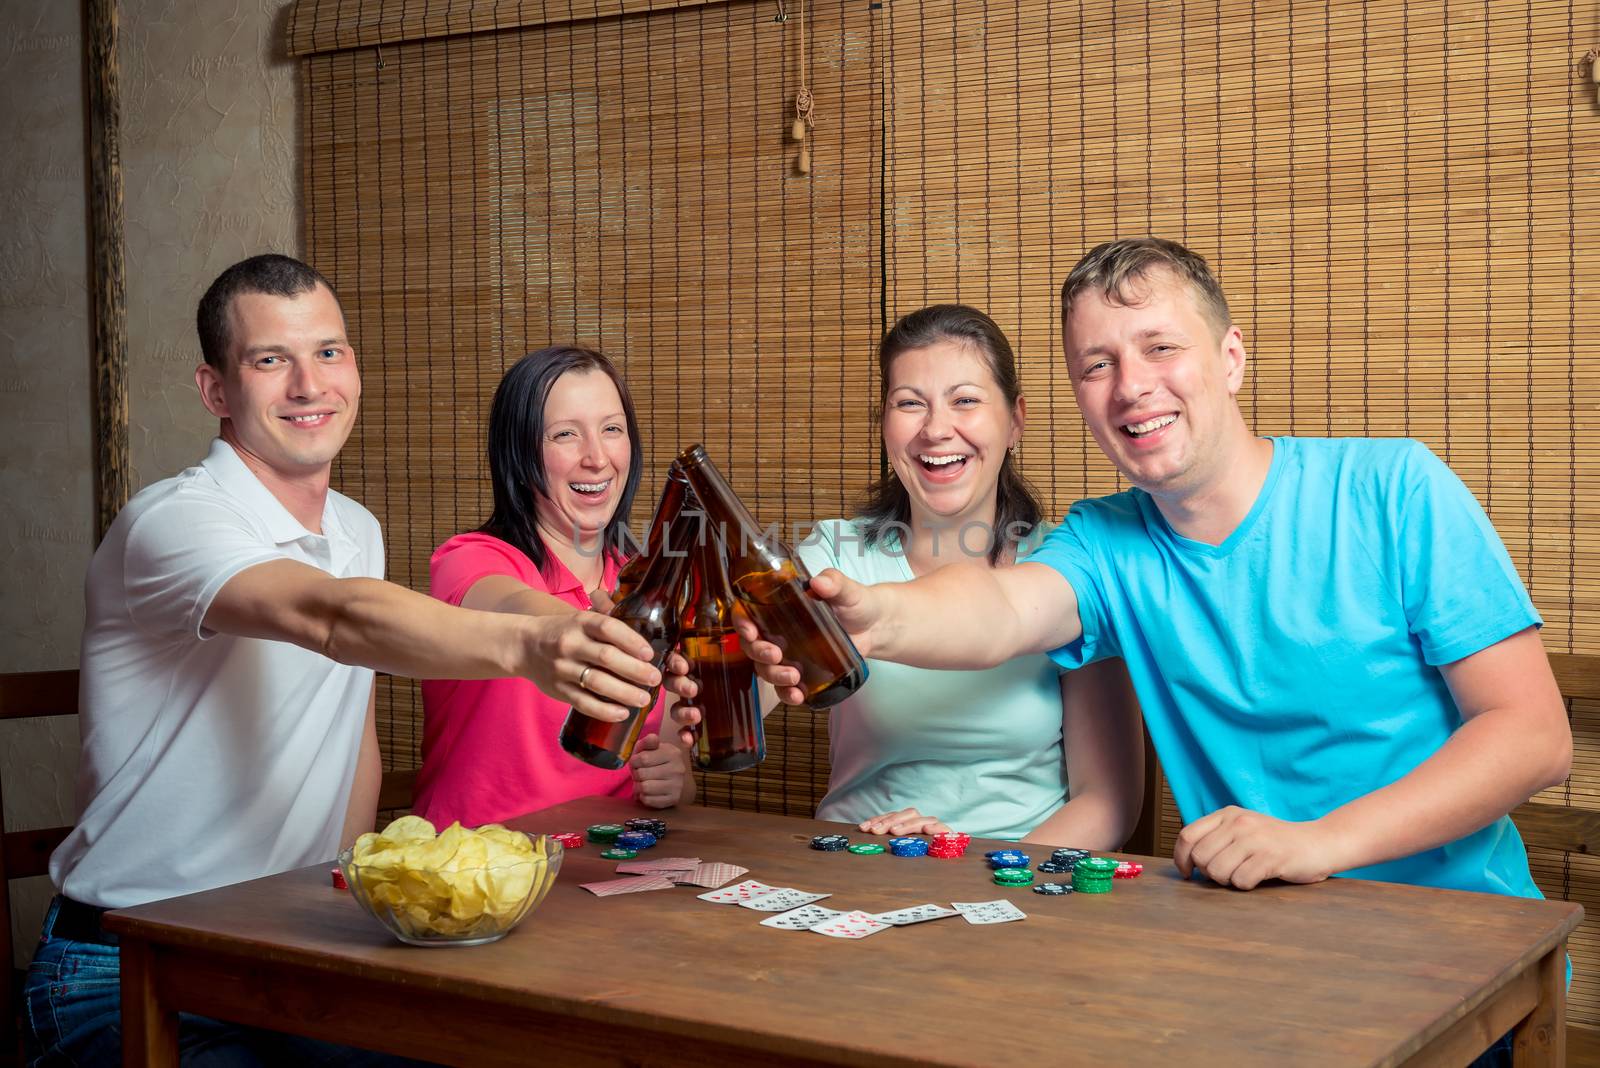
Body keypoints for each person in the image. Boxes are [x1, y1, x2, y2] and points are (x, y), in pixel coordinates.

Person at [747, 238, 1569, 907]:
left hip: (1458, 930)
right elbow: (998, 606)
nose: (1132, 386)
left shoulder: (1394, 489)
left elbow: (1533, 737)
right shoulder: (1107, 541)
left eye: (1161, 347)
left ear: (1231, 358)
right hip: (1252, 944)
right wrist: (872, 615)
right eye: (1096, 365)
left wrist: (1319, 841)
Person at [24, 255, 691, 1067]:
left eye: (330, 353)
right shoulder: (170, 522)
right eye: (272, 360)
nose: (310, 385)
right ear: (216, 391)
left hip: (290, 945)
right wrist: (533, 641)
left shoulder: (356, 529)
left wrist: (349, 894)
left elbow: (351, 742)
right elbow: (329, 617)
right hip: (132, 959)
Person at [678, 306, 1142, 847]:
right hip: (857, 864)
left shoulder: (1066, 570)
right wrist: (711, 686)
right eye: (909, 404)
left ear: (1015, 420)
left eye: (965, 400)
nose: (937, 429)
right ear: (884, 424)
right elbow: (741, 699)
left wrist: (970, 861)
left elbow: (1107, 803)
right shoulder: (835, 558)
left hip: (1017, 879)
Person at [414, 347, 693, 829]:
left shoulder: (643, 584)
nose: (597, 458)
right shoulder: (472, 559)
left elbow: (666, 750)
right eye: (566, 435)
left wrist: (675, 778)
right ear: (519, 455)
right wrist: (579, 626)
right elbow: (511, 605)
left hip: (609, 865)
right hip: (473, 865)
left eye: (612, 429)